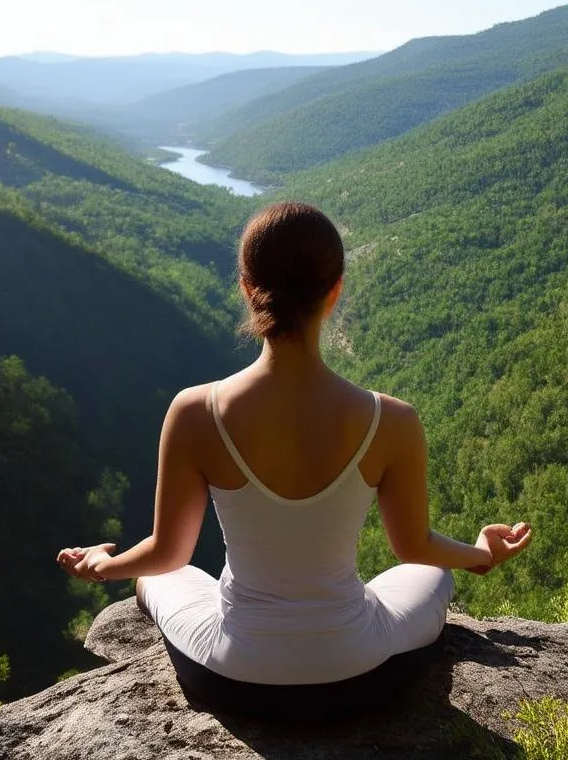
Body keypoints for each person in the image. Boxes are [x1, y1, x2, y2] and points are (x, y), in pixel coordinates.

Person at [57, 201, 530, 715]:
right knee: (436, 575)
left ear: (246, 287)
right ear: (336, 290)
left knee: (153, 577)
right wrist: (482, 553)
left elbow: (168, 553)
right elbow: (413, 546)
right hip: (358, 675)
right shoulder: (391, 420)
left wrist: (105, 565)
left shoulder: (196, 411)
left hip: (233, 677)